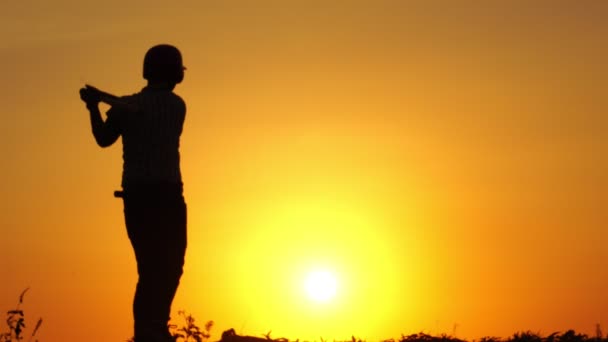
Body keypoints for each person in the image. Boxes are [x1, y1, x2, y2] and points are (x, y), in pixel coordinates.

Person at [80, 44, 188, 342]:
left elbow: (104, 137)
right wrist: (97, 106)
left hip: (141, 198)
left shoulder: (167, 106)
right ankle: (149, 333)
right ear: (174, 73)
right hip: (163, 198)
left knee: (155, 269)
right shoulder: (141, 106)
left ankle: (153, 329)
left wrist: (99, 108)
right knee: (163, 267)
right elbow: (105, 140)